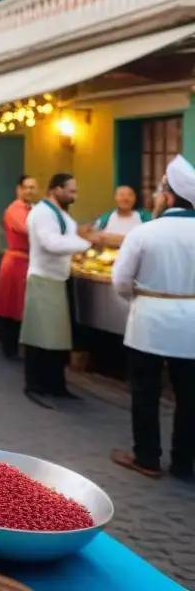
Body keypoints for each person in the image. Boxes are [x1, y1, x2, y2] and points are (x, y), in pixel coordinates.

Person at [110, 156, 195, 482]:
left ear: (169, 197)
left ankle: (147, 457)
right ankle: (184, 463)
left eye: (160, 192)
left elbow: (120, 280)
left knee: (145, 391)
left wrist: (142, 300)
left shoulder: (145, 232)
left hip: (149, 322)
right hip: (191, 324)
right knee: (190, 396)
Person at [19, 173, 94, 409]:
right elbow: (51, 244)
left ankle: (56, 384)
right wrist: (88, 243)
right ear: (55, 190)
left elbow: (68, 236)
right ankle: (35, 385)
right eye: (70, 191)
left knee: (58, 338)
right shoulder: (41, 213)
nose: (75, 195)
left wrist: (85, 234)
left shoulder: (60, 214)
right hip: (43, 279)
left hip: (58, 279)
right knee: (40, 336)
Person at [0, 175, 38, 360]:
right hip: (16, 263)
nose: (29, 191)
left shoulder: (34, 209)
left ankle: (18, 345)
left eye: (33, 187)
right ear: (19, 189)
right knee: (12, 305)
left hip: (28, 262)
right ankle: (8, 346)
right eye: (26, 187)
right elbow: (28, 228)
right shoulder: (14, 209)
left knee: (22, 306)